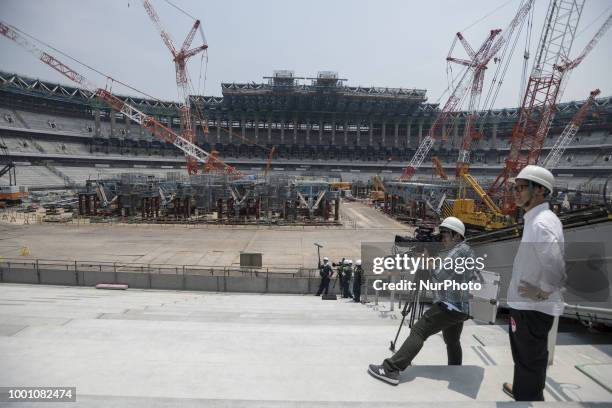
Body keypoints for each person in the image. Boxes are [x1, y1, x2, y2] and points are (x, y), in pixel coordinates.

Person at [368, 217, 477, 385]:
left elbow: (440, 276)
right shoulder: (465, 250)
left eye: (445, 234)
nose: (442, 238)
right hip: (460, 309)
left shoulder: (459, 251)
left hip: (449, 306)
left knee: (419, 331)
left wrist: (427, 260)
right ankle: (456, 371)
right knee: (452, 341)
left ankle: (390, 369)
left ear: (456, 235)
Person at [503, 165, 565, 402]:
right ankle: (523, 389)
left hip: (531, 309)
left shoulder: (541, 223)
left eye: (521, 188)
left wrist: (541, 293)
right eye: (515, 188)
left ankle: (528, 396)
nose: (516, 193)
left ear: (540, 190)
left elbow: (556, 266)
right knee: (526, 357)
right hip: (527, 307)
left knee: (529, 359)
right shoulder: (538, 219)